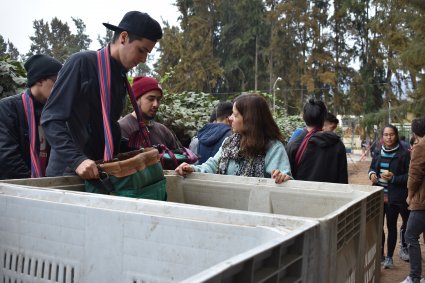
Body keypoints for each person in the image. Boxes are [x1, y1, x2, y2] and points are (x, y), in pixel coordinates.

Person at [41, 11, 162, 179]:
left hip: (98, 172)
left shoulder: (120, 77)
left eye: (147, 53)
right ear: (124, 37)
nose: (144, 59)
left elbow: (104, 129)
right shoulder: (81, 63)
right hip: (68, 173)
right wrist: (77, 160)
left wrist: (137, 150)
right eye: (141, 50)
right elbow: (51, 119)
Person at [175, 93, 292, 184]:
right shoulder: (229, 143)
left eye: (235, 115)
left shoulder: (273, 148)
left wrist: (281, 177)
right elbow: (212, 165)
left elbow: (284, 178)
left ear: (249, 120)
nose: (230, 118)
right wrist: (192, 169)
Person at [0, 54, 62, 179]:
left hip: (50, 185)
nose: (61, 88)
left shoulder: (57, 111)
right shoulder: (8, 108)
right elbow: (6, 154)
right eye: (57, 82)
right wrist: (32, 186)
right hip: (17, 187)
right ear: (39, 80)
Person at [368, 124, 411, 269]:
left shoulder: (404, 153)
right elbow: (372, 168)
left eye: (391, 134)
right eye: (386, 134)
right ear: (382, 136)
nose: (388, 137)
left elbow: (409, 176)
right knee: (378, 228)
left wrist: (393, 178)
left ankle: (389, 257)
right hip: (379, 197)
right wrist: (372, 174)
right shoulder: (378, 151)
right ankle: (380, 254)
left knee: (391, 227)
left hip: (394, 198)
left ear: (396, 135)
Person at [286, 99, 348, 183]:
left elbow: (288, 179)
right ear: (324, 118)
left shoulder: (294, 145)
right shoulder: (337, 144)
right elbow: (342, 180)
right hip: (330, 195)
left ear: (304, 117)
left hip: (301, 195)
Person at [118, 76, 179, 149]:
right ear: (135, 100)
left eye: (158, 100)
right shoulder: (121, 129)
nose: (155, 104)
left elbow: (178, 157)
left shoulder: (164, 131)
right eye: (151, 99)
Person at [401, 118, 425, 283]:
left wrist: (410, 196)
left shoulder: (420, 147)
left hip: (421, 201)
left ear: (415, 133)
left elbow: (414, 176)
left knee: (410, 236)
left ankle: (414, 277)